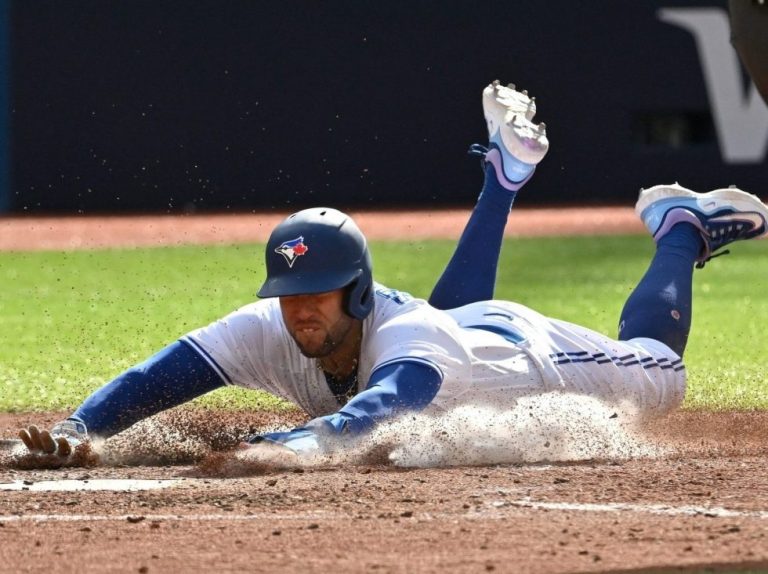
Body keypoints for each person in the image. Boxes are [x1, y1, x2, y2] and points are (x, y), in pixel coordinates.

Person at [19, 81, 768, 464]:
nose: (297, 309)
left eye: (315, 293)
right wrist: (80, 428)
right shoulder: (282, 323)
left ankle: (678, 230)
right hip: (455, 335)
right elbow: (164, 375)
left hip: (527, 355)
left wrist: (289, 447)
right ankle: (501, 184)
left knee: (662, 373)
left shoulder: (411, 340)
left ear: (358, 291)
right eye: (286, 295)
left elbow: (379, 410)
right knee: (435, 330)